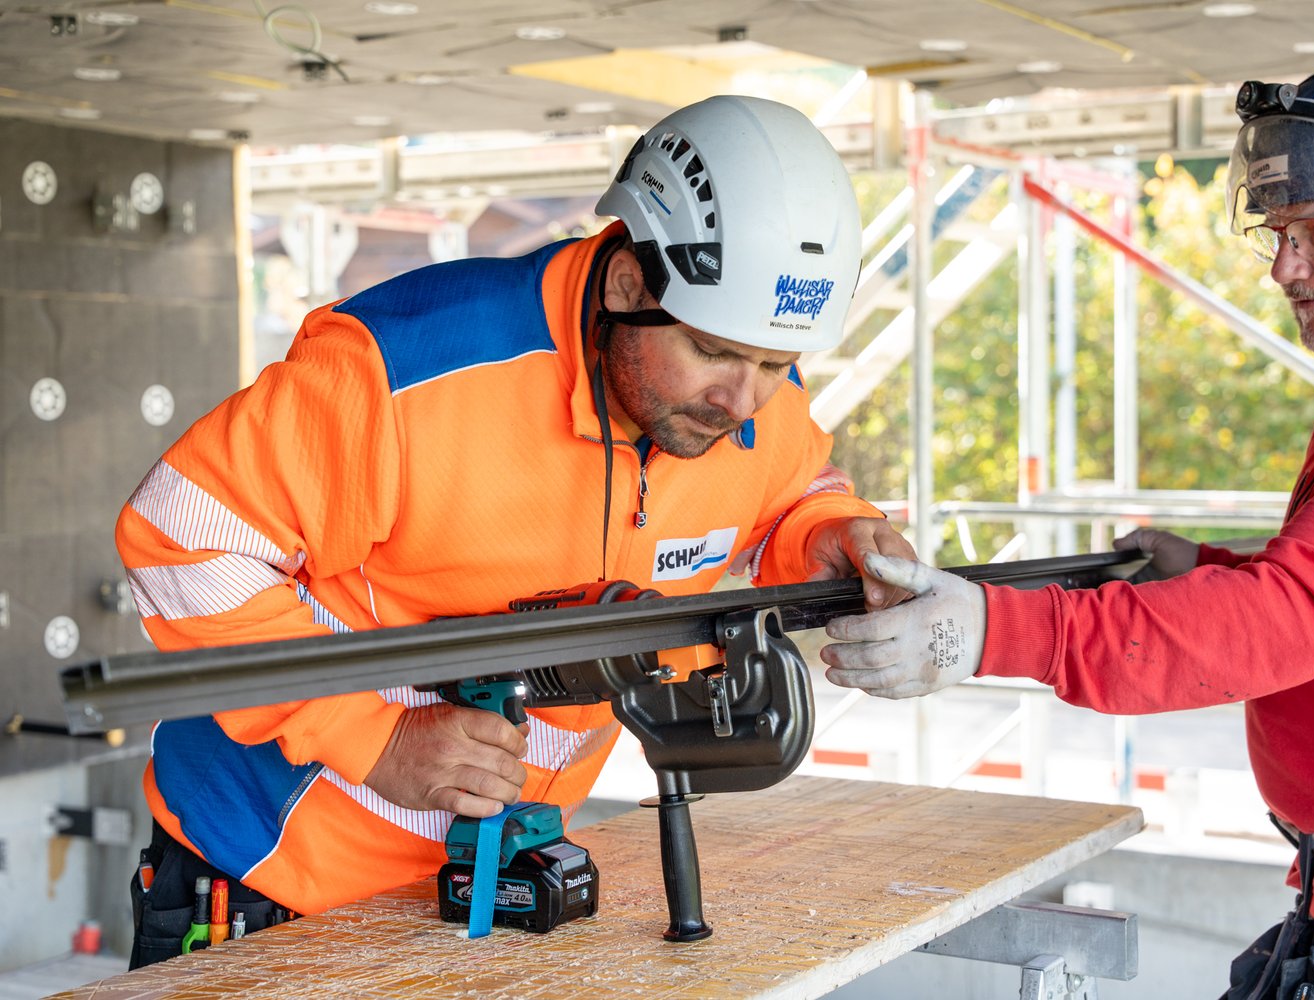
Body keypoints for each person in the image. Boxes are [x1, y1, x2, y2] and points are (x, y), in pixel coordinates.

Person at [116, 94, 914, 967]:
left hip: (494, 897)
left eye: (777, 364)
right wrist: (372, 739)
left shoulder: (737, 396)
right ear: (627, 285)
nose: (746, 401)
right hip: (277, 886)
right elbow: (181, 536)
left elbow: (792, 484)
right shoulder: (404, 368)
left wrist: (836, 531)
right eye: (717, 353)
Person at [820, 54, 1314, 999]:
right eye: (1276, 231)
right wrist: (1203, 571)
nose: (1283, 266)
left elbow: (1286, 620)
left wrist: (986, 631)